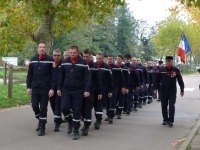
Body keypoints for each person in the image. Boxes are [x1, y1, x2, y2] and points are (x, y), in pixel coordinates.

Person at [57, 45, 91, 140]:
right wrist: (59, 88)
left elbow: (87, 78)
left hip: (78, 90)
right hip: (66, 89)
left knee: (76, 110)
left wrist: (87, 90)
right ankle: (70, 121)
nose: (72, 54)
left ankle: (76, 130)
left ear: (77, 52)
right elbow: (61, 76)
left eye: (74, 53)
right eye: (70, 53)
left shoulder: (83, 63)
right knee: (64, 108)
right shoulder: (64, 62)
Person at [26, 42, 55, 136]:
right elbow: (30, 74)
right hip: (35, 87)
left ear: (46, 49)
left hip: (45, 88)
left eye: (43, 47)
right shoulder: (33, 60)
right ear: (37, 48)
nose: (42, 49)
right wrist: (28, 87)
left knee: (43, 108)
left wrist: (52, 88)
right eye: (40, 47)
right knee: (34, 106)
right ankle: (41, 120)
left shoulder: (50, 60)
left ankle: (42, 127)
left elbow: (53, 76)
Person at [154, 56, 184, 127]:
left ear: (172, 62)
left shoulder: (176, 70)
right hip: (163, 90)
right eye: (166, 61)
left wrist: (182, 90)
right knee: (164, 106)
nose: (167, 62)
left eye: (169, 61)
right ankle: (165, 119)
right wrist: (155, 89)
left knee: (171, 105)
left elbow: (180, 81)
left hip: (172, 91)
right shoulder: (162, 70)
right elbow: (157, 80)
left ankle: (171, 120)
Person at [81, 49, 102, 136]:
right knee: (81, 108)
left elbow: (98, 80)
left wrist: (100, 92)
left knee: (88, 108)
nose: (85, 58)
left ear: (90, 56)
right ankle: (85, 120)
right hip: (81, 90)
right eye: (84, 56)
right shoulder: (81, 64)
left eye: (87, 56)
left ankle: (86, 126)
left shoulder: (94, 66)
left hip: (91, 90)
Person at [94, 53, 113, 129]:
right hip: (93, 89)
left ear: (103, 59)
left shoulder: (106, 67)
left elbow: (110, 80)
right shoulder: (93, 66)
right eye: (97, 59)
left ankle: (98, 120)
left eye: (99, 59)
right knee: (92, 105)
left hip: (102, 89)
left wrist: (110, 90)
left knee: (99, 105)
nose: (98, 60)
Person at [105, 55, 125, 123]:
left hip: (114, 87)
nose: (110, 60)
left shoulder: (117, 68)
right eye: (109, 59)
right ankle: (108, 114)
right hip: (106, 87)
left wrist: (123, 86)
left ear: (113, 60)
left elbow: (122, 78)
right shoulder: (105, 67)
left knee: (112, 102)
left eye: (111, 59)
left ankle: (111, 116)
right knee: (107, 102)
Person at [49, 49, 64, 132]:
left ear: (60, 56)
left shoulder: (63, 64)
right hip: (51, 88)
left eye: (58, 55)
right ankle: (58, 117)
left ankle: (56, 123)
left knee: (58, 105)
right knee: (53, 104)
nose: (56, 57)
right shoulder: (50, 64)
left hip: (60, 88)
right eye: (54, 55)